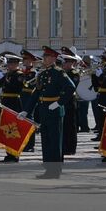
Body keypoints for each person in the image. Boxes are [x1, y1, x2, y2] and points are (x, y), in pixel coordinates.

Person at [31, 48, 75, 179]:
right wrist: (26, 110)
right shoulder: (43, 74)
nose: (44, 58)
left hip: (54, 109)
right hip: (44, 109)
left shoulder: (59, 73)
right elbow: (36, 93)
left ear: (54, 58)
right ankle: (48, 168)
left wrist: (59, 103)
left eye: (47, 56)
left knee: (55, 140)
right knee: (46, 140)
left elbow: (70, 87)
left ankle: (55, 170)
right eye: (44, 56)